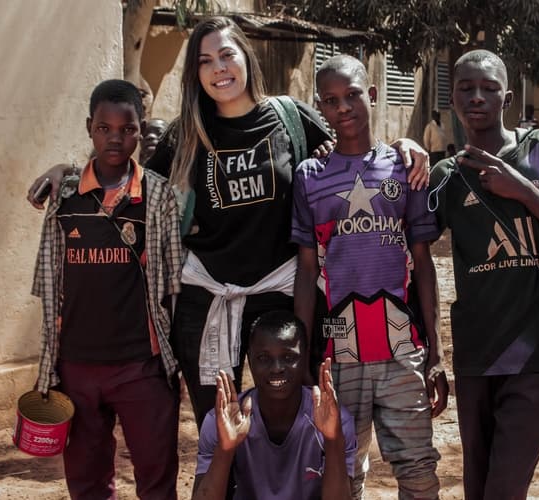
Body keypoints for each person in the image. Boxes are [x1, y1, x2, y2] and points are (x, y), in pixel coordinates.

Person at [26, 16, 431, 429]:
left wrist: (404, 145)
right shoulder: (185, 135)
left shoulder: (290, 118)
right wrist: (72, 171)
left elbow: (353, 147)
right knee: (218, 428)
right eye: (205, 61)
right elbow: (129, 185)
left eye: (226, 54)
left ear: (245, 58)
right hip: (205, 302)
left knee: (285, 425)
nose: (218, 68)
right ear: (195, 74)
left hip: (280, 299)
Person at [292, 55, 448, 500]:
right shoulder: (310, 177)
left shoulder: (405, 167)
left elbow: (424, 263)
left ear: (373, 95)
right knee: (339, 470)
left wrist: (435, 352)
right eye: (331, 100)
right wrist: (305, 357)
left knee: (418, 470)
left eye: (353, 95)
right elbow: (306, 272)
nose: (343, 108)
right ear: (320, 108)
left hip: (402, 347)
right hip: (337, 352)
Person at [429, 49, 539, 500]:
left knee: (504, 490)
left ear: (507, 97)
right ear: (452, 99)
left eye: (489, 88)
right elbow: (410, 246)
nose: (477, 97)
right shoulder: (446, 176)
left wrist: (520, 190)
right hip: (476, 355)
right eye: (466, 89)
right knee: (478, 488)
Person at [31, 79, 183, 499]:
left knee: (156, 481)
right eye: (104, 128)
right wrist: (53, 365)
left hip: (142, 367)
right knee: (87, 482)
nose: (116, 138)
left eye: (127, 129)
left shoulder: (157, 196)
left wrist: (172, 363)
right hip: (76, 369)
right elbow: (49, 280)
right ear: (89, 127)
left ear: (141, 128)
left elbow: (173, 282)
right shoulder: (64, 195)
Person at [192, 311, 357, 500]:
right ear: (250, 361)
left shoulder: (335, 420)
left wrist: (332, 439)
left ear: (305, 358)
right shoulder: (221, 421)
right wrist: (225, 449)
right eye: (263, 358)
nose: (277, 368)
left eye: (288, 357)